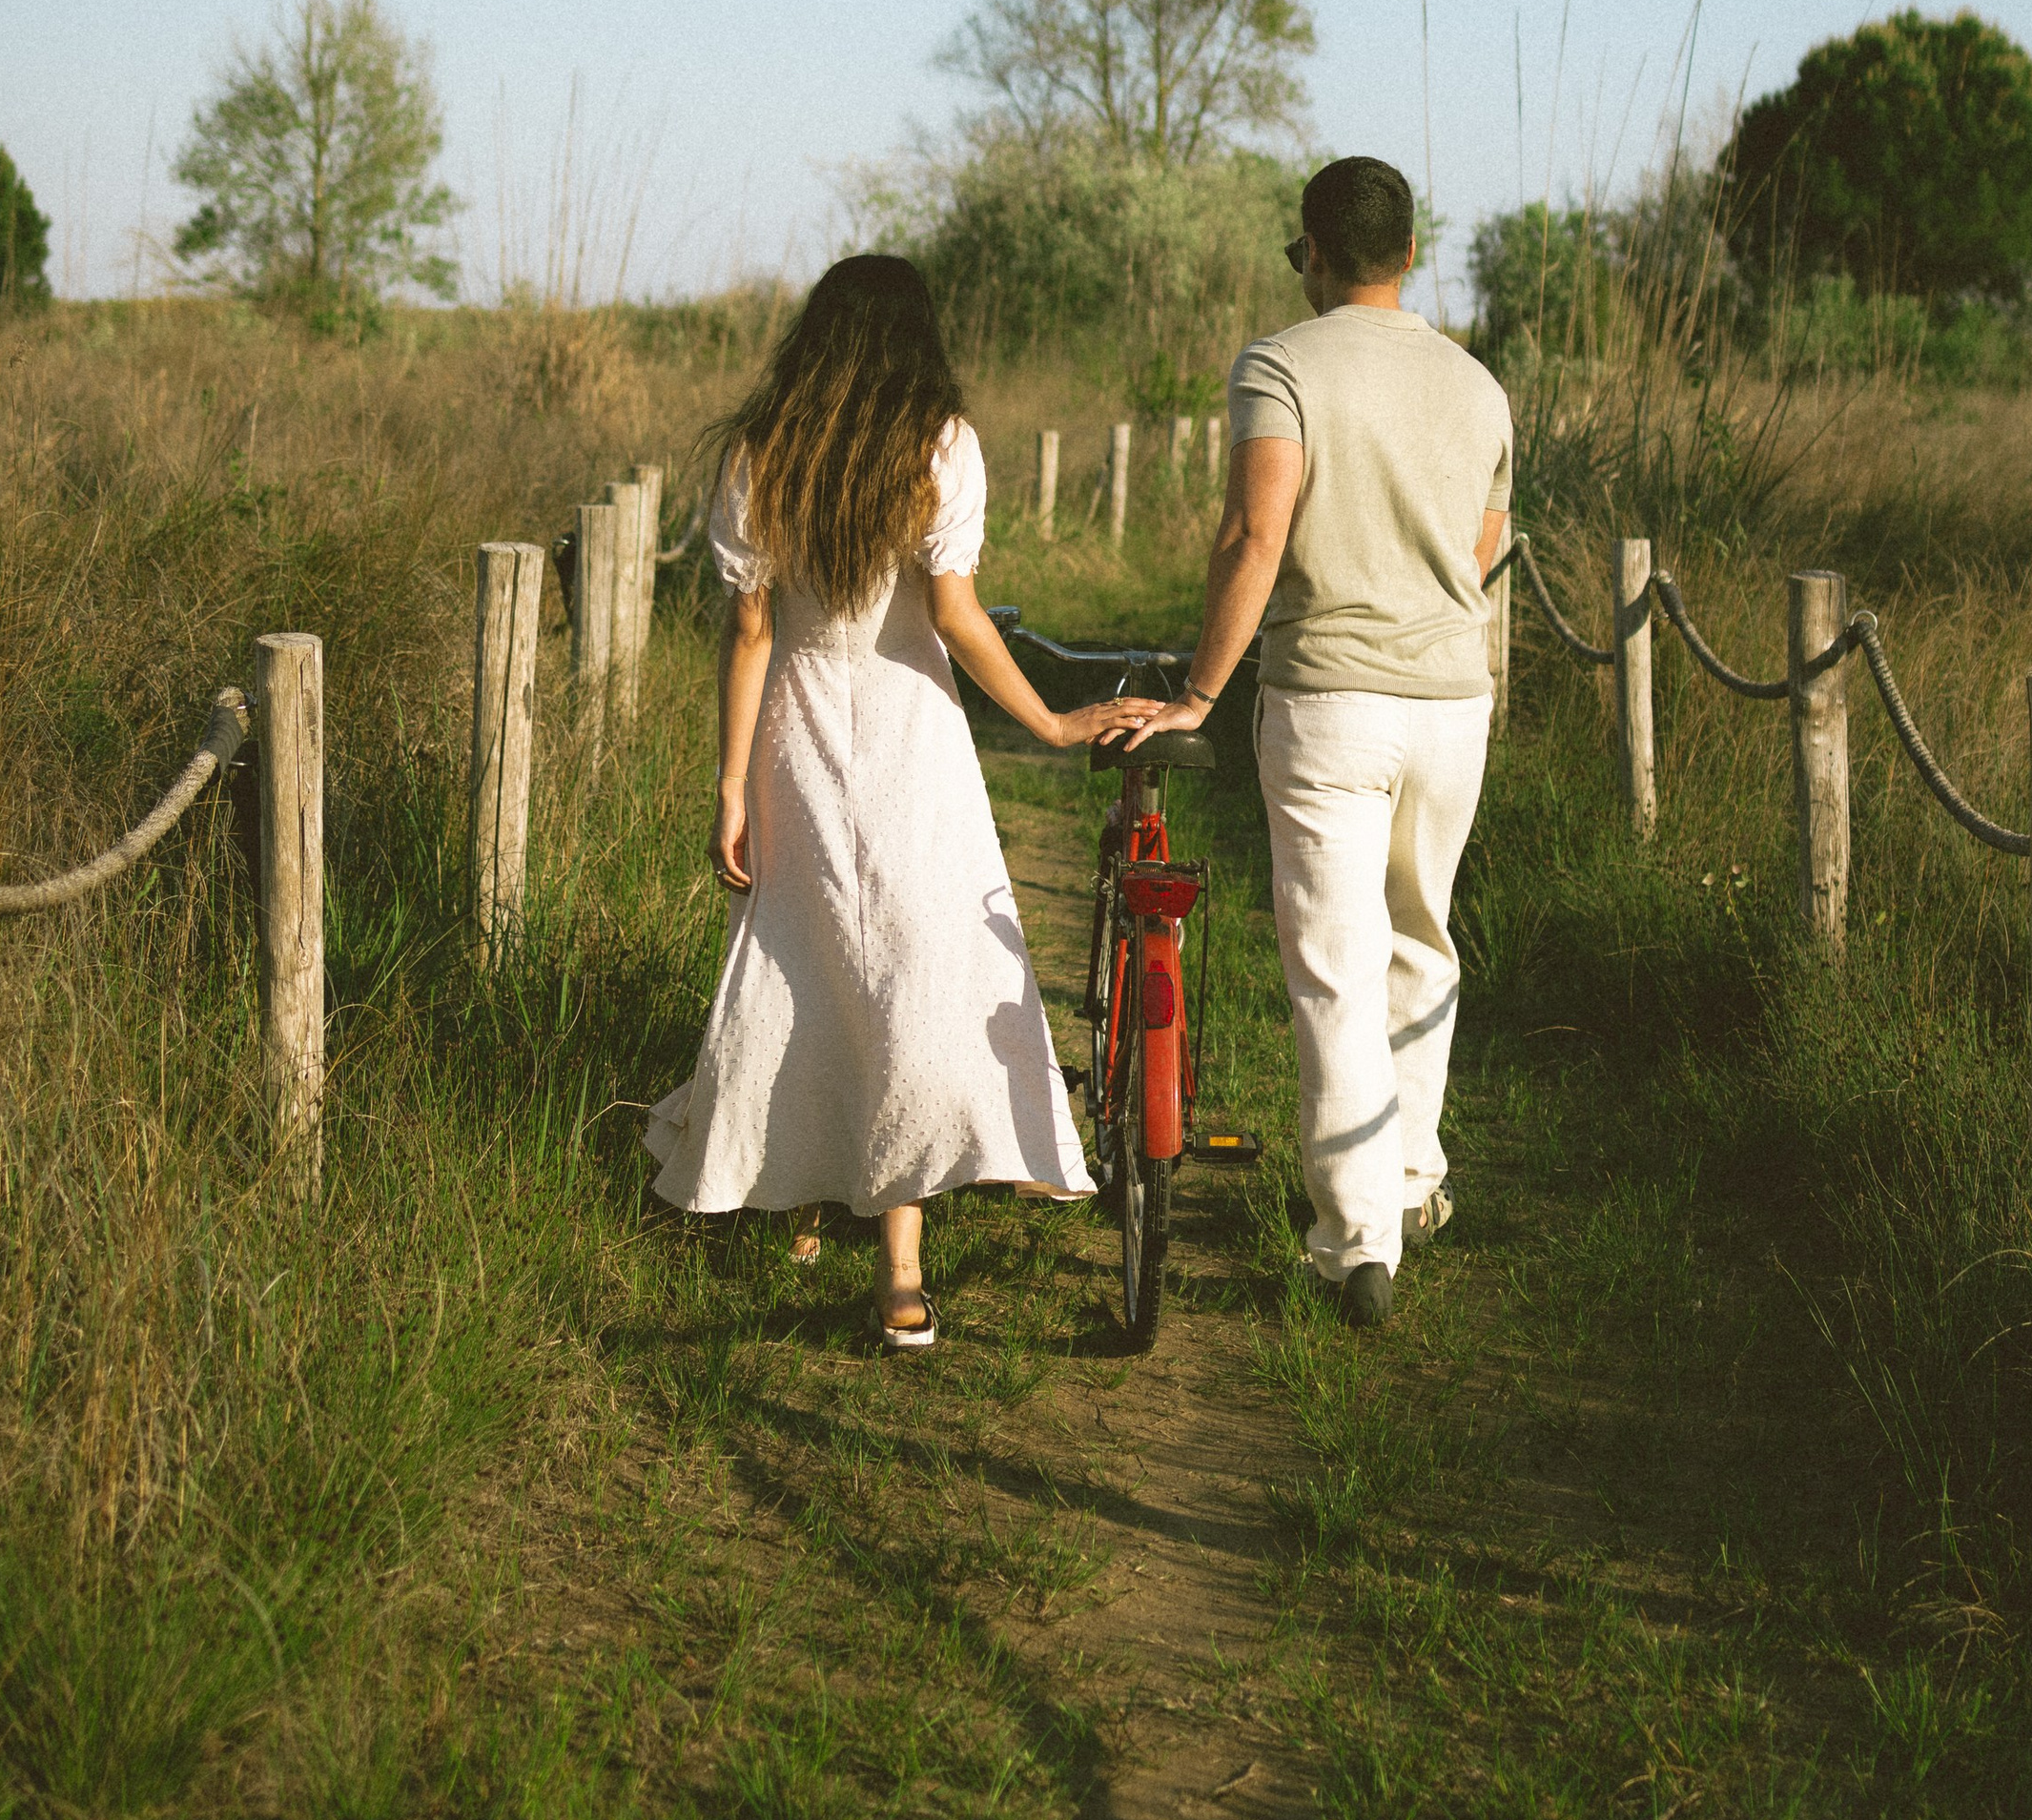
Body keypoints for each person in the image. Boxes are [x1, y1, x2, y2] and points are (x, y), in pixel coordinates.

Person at [646, 256, 1156, 1352]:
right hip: (912, 728)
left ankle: (811, 1191)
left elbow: (748, 632)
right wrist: (1053, 721)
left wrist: (731, 783)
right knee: (917, 972)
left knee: (812, 963)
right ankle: (902, 1270)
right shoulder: (941, 445)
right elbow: (959, 616)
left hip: (797, 728)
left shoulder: (760, 451)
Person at [1117, 156, 1511, 1326]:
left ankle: (1355, 1241)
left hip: (1330, 698)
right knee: (1421, 939)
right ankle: (1410, 1182)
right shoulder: (1478, 386)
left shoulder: (1283, 363)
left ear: (1318, 252)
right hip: (1452, 700)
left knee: (1334, 959)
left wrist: (1199, 689)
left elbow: (1253, 532)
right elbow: (1484, 545)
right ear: (1407, 253)